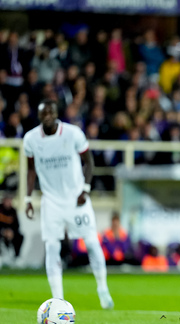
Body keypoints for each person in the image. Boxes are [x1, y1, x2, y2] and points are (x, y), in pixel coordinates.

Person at [23, 99, 114, 309]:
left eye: (50, 112)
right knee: (52, 246)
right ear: (39, 117)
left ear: (56, 114)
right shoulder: (31, 139)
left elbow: (88, 161)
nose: (47, 116)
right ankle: (58, 300)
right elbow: (30, 170)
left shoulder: (73, 134)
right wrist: (28, 199)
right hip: (51, 201)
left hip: (75, 198)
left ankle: (102, 288)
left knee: (91, 242)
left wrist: (85, 189)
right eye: (43, 113)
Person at [0, 193, 23, 265]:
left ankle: (16, 257)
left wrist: (11, 232)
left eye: (10, 200)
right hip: (1, 232)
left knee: (20, 236)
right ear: (3, 200)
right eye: (7, 200)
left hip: (11, 233)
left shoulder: (13, 211)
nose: (9, 202)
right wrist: (3, 231)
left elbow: (17, 225)